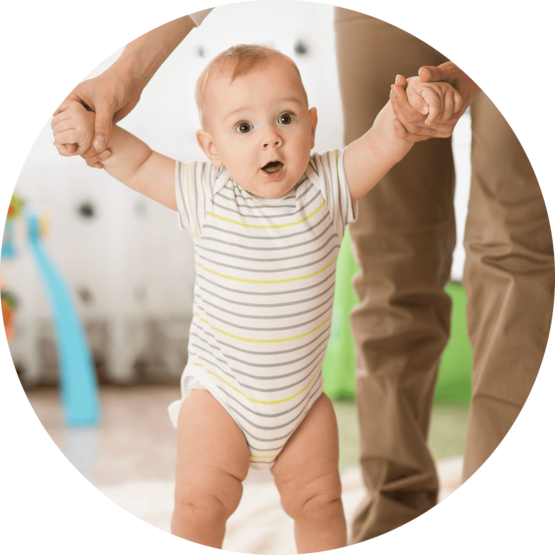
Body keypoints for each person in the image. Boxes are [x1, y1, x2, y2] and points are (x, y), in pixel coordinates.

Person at [52, 43, 462, 551]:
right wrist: (92, 133)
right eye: (243, 128)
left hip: (301, 405)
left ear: (311, 125)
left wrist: (408, 113)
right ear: (211, 147)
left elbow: (383, 141)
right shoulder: (208, 191)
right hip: (220, 398)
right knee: (200, 505)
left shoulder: (330, 184)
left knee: (322, 505)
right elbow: (136, 163)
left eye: (286, 118)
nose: (269, 137)